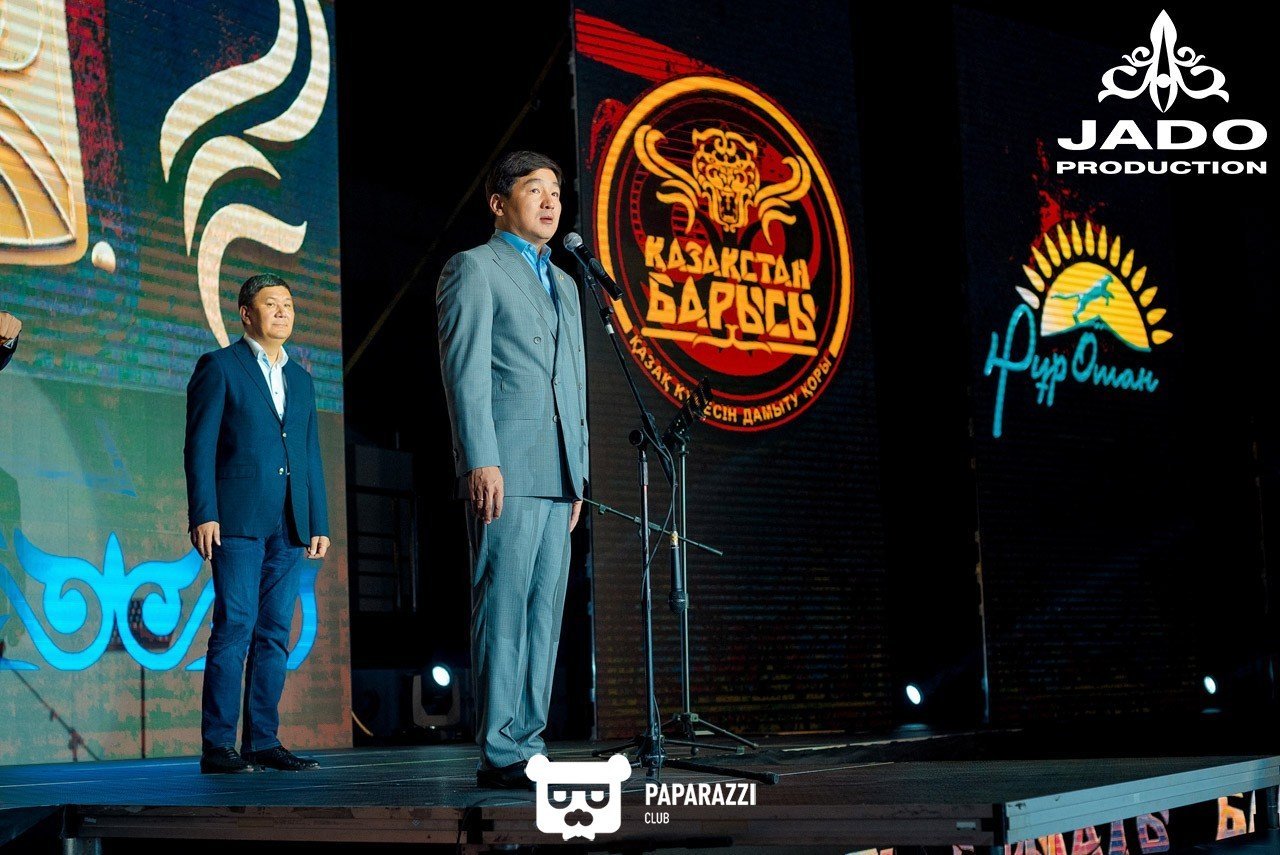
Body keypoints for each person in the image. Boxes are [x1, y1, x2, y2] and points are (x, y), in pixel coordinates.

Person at [436, 151, 590, 790]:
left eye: (555, 190)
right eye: (534, 189)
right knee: (503, 607)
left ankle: (529, 743)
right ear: (499, 204)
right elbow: (465, 372)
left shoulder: (568, 284)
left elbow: (573, 383)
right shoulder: (474, 268)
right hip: (506, 466)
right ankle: (500, 750)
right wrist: (480, 458)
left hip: (559, 473)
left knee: (545, 614)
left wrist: (579, 473)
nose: (551, 201)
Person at [184, 273, 330, 774]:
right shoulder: (220, 367)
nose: (283, 312)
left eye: (288, 304)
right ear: (247, 314)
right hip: (237, 519)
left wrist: (317, 519)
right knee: (236, 625)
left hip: (289, 522)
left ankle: (263, 741)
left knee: (274, 631)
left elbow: (309, 454)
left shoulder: (302, 379)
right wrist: (204, 512)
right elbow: (199, 447)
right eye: (272, 304)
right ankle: (218, 745)